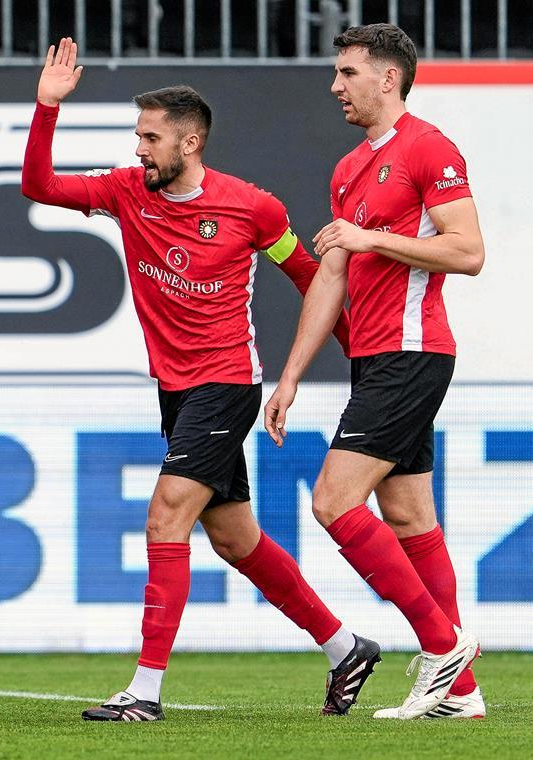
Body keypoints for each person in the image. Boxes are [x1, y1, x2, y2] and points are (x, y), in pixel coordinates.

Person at [22, 38, 376, 721]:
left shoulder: (253, 209)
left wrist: (357, 360)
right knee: (236, 539)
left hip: (226, 384)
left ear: (190, 143)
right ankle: (345, 647)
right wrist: (47, 108)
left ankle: (145, 692)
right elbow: (38, 186)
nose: (139, 150)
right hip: (177, 391)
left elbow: (310, 279)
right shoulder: (125, 192)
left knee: (165, 516)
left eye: (150, 138)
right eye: (138, 137)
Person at [263, 23, 484, 720]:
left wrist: (372, 238)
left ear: (388, 78)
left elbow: (469, 252)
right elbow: (331, 277)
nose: (335, 85)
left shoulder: (429, 147)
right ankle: (461, 696)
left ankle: (443, 647)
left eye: (348, 73)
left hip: (414, 351)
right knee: (409, 514)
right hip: (376, 359)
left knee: (333, 501)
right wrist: (291, 376)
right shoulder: (348, 169)